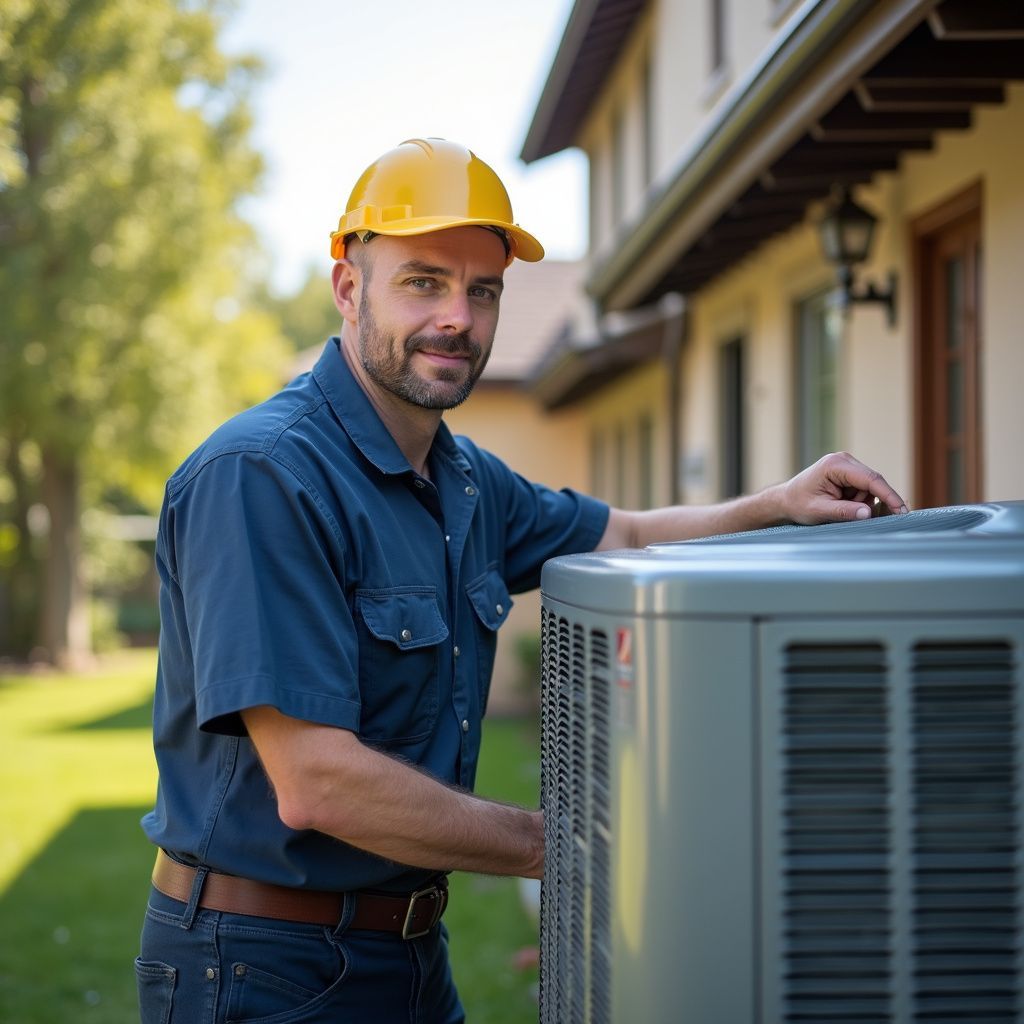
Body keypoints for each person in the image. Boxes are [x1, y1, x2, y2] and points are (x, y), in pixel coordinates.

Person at [135, 137, 908, 1024]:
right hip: (263, 965)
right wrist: (574, 850)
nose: (457, 317)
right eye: (423, 281)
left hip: (408, 951)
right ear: (350, 289)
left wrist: (778, 503)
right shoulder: (263, 476)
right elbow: (318, 781)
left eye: (483, 290)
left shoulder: (462, 479)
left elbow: (620, 532)